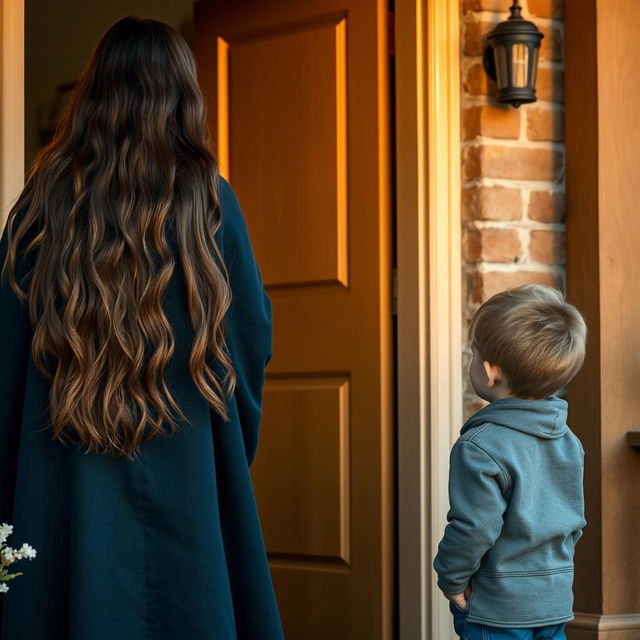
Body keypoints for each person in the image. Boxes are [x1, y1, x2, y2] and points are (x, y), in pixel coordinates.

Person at [0, 15, 284, 640]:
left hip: (64, 476)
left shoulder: (38, 207)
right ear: (183, 96)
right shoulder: (211, 201)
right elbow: (250, 339)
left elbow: (4, 363)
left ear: (92, 95)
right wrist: (226, 448)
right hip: (186, 467)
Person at [433, 284, 588, 640]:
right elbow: (572, 523)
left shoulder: (479, 446)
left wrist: (451, 577)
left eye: (472, 353)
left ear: (489, 373)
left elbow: (473, 528)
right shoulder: (568, 440)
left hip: (498, 608)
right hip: (554, 600)